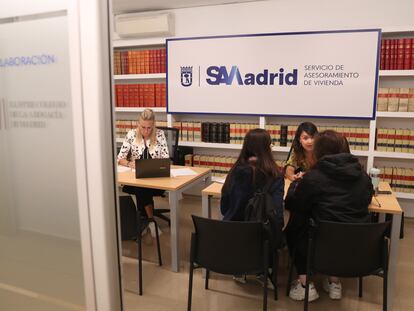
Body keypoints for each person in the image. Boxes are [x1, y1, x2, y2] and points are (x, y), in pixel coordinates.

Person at [285, 130, 373, 302]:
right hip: (358, 247)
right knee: (338, 223)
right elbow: (366, 200)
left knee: (298, 219)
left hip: (319, 245)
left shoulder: (314, 177)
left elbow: (293, 204)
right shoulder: (363, 177)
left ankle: (305, 284)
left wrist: (296, 185)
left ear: (319, 151)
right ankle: (334, 281)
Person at [220, 128, 285, 284]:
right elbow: (277, 214)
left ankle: (240, 268)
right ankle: (264, 271)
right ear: (268, 147)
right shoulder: (276, 175)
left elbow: (224, 208)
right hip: (263, 237)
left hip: (235, 234)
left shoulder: (235, 171)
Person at [118, 109, 169, 237]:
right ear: (138, 124)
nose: (146, 131)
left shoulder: (160, 134)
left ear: (154, 125)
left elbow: (165, 158)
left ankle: (147, 221)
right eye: (143, 127)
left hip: (156, 180)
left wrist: (156, 163)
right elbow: (120, 158)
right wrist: (130, 164)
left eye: (149, 128)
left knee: (141, 188)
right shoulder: (131, 134)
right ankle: (151, 221)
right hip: (137, 177)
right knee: (141, 187)